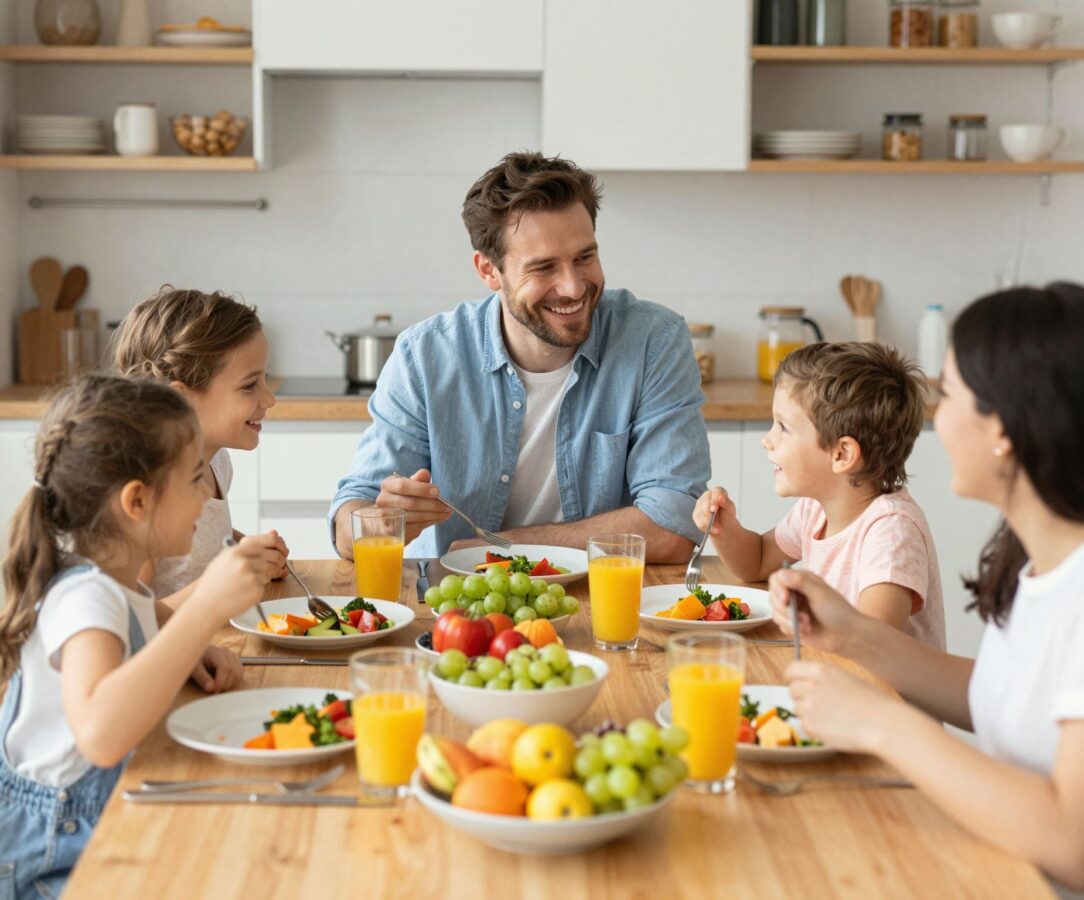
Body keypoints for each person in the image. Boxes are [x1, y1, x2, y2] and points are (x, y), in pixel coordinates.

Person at [771, 284, 1084, 897]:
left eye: (948, 395)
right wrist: (852, 634)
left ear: (1006, 427)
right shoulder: (1050, 557)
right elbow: (1001, 698)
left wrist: (880, 724)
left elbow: (1076, 845)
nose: (933, 418)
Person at [330, 151, 710, 561]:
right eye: (543, 268)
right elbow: (348, 525)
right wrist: (381, 521)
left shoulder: (654, 340)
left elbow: (675, 526)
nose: (573, 287)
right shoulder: (425, 356)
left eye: (585, 257)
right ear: (489, 271)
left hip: (598, 602)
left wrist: (501, 549)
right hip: (458, 608)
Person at [0, 375, 276, 899]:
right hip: (55, 860)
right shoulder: (87, 597)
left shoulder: (117, 584)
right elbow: (101, 734)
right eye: (195, 478)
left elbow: (124, 662)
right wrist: (207, 609)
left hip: (93, 827)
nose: (206, 494)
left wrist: (188, 652)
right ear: (136, 502)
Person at [694, 342, 944, 647]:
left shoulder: (891, 532)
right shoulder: (815, 511)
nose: (767, 440)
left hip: (882, 693)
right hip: (832, 680)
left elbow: (874, 645)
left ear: (842, 453)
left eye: (783, 427)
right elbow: (757, 561)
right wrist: (724, 529)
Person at [114, 287, 289, 603]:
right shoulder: (146, 492)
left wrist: (247, 551)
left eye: (265, 379)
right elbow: (130, 621)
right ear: (181, 397)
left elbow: (204, 545)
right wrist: (224, 581)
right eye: (250, 385)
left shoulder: (215, 460)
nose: (269, 398)